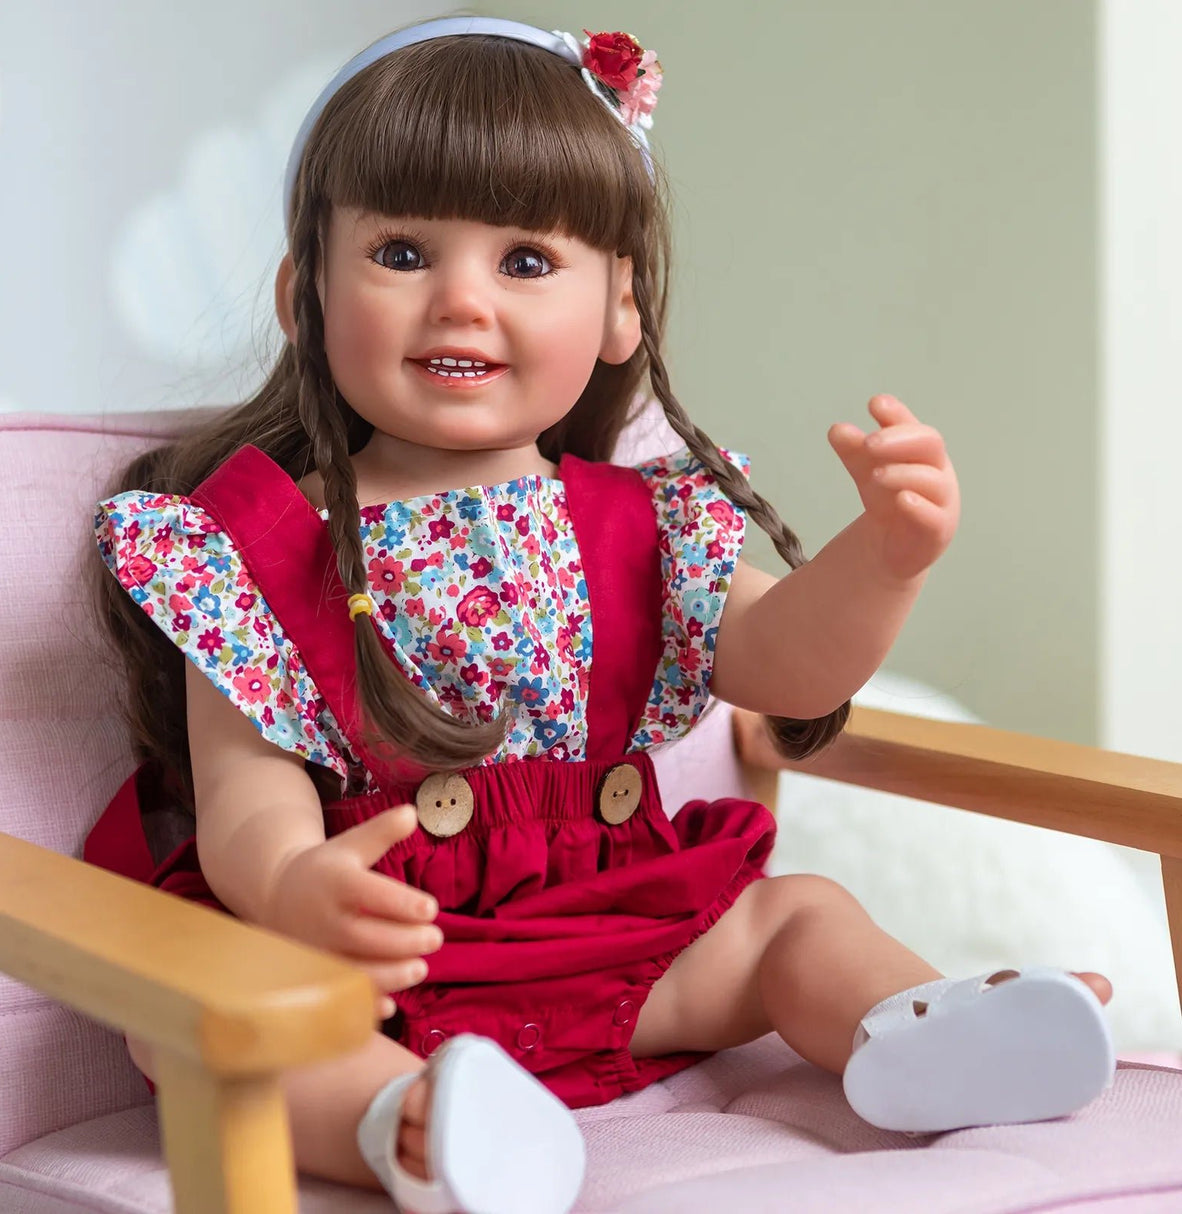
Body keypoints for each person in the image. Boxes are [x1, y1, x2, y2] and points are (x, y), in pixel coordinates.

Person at [87, 17, 1115, 1214]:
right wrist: (294, 885)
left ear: (620, 304)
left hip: (625, 934)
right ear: (305, 292)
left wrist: (885, 560)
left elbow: (786, 662)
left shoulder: (641, 521)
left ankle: (918, 1032)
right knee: (201, 1025)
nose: (460, 301)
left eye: (525, 261)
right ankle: (421, 1122)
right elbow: (245, 793)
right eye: (404, 252)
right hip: (388, 964)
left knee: (795, 915)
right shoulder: (252, 553)